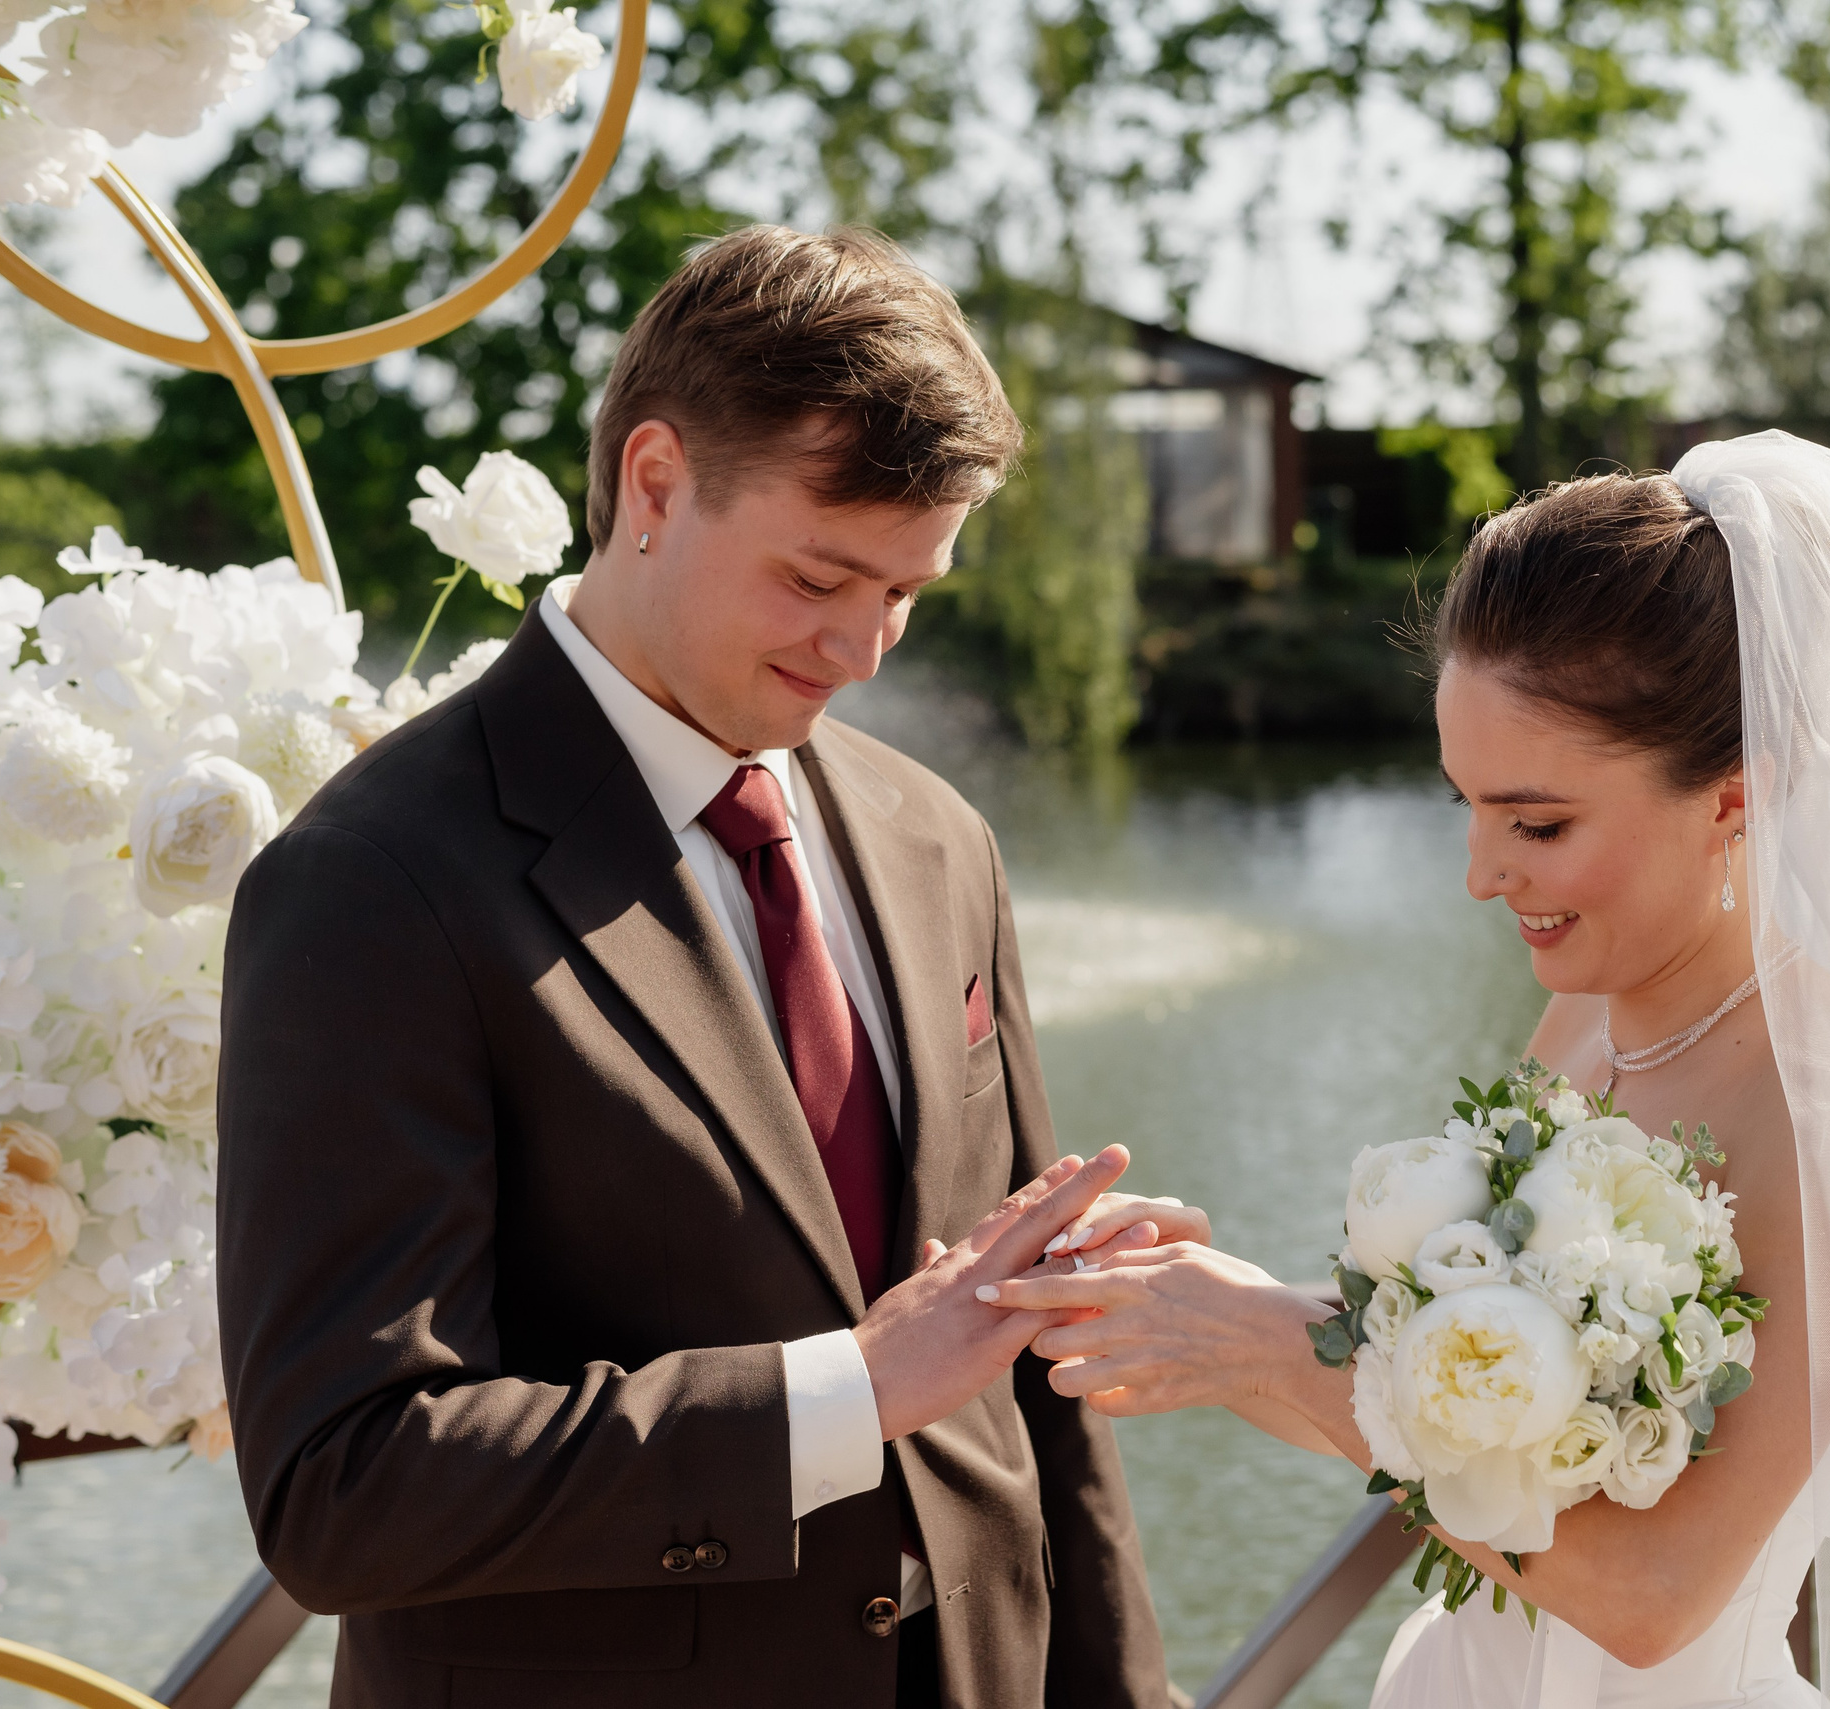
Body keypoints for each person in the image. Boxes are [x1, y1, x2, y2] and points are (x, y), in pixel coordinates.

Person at [988, 432, 1830, 1709]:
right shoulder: (1584, 1023)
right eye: (1469, 802)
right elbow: (1452, 1451)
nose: (1481, 873)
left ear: (1737, 796)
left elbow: (1660, 1588)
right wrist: (1196, 1315)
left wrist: (1284, 1348)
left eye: (1539, 821)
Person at [214, 224, 1172, 1709]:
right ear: (653, 483)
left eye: (908, 594)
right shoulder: (370, 884)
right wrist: (844, 1393)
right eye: (819, 577)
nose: (862, 649)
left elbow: (1030, 1364)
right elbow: (347, 1483)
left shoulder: (937, 836)